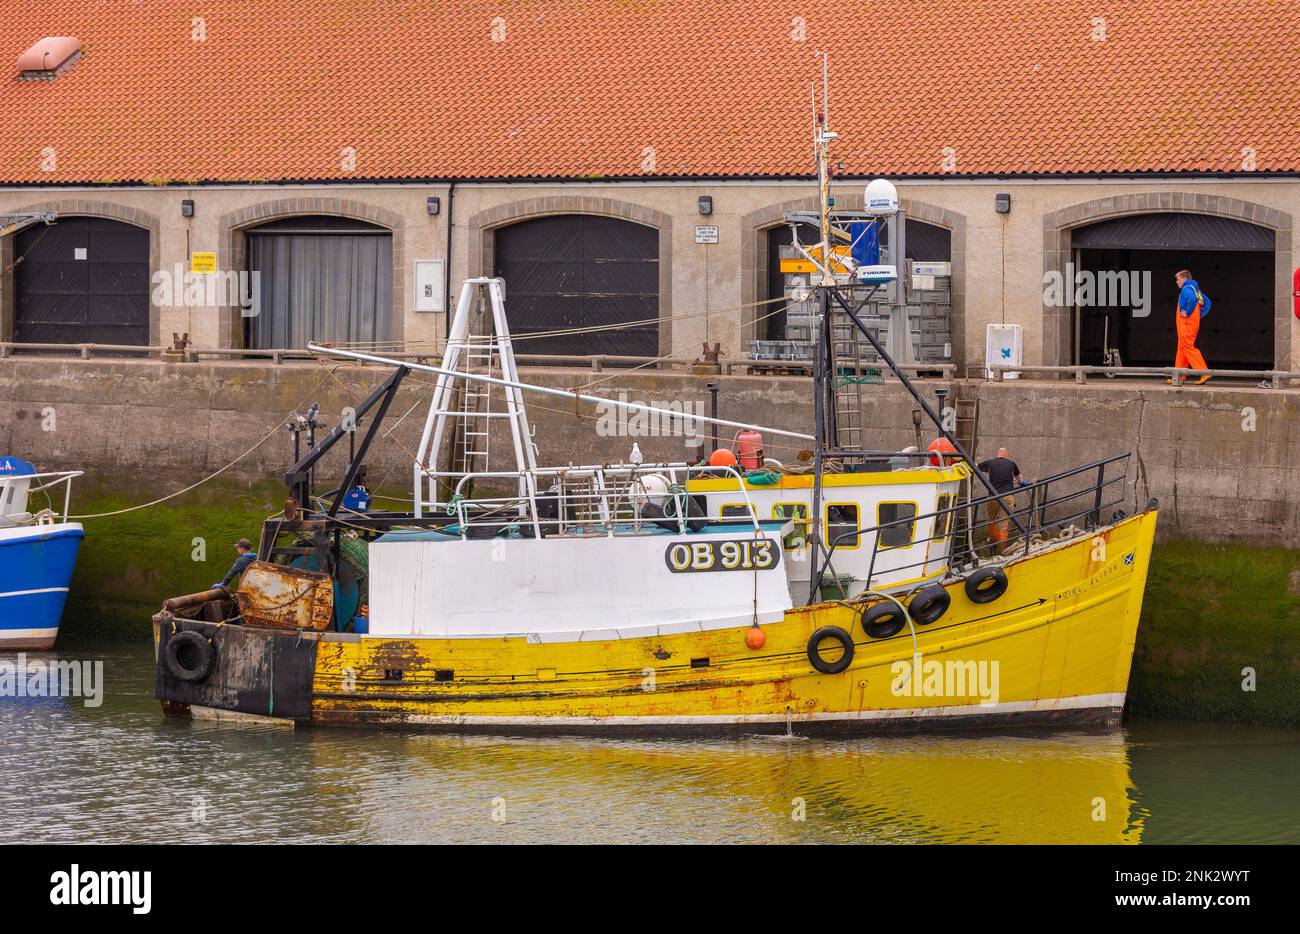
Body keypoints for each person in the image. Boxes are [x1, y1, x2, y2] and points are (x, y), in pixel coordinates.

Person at [977, 448, 1024, 552]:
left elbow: (976, 466)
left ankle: (992, 542)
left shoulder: (990, 463)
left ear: (998, 455)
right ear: (1006, 455)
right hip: (1007, 497)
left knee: (991, 520)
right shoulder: (1012, 464)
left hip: (993, 497)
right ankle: (1002, 551)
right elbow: (1020, 478)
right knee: (1003, 524)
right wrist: (1022, 483)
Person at [1170, 269, 1212, 385]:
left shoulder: (1186, 289)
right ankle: (1179, 376)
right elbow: (1208, 303)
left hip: (1186, 324)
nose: (1176, 282)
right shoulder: (1196, 290)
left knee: (1187, 347)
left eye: (1178, 279)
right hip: (1191, 324)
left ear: (1185, 279)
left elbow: (1192, 300)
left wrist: (1188, 313)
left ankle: (1204, 372)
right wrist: (1197, 316)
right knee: (1182, 348)